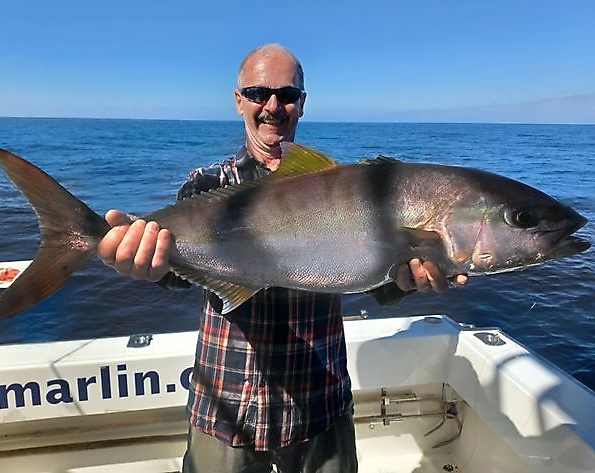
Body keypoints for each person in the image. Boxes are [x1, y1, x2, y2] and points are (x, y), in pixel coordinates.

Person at [98, 44, 468, 473]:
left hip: (319, 406)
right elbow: (184, 276)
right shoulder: (208, 184)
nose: (273, 107)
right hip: (226, 403)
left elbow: (370, 275)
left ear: (302, 104)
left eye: (287, 96)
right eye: (258, 93)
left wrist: (405, 282)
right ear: (239, 101)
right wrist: (148, 262)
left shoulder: (345, 191)